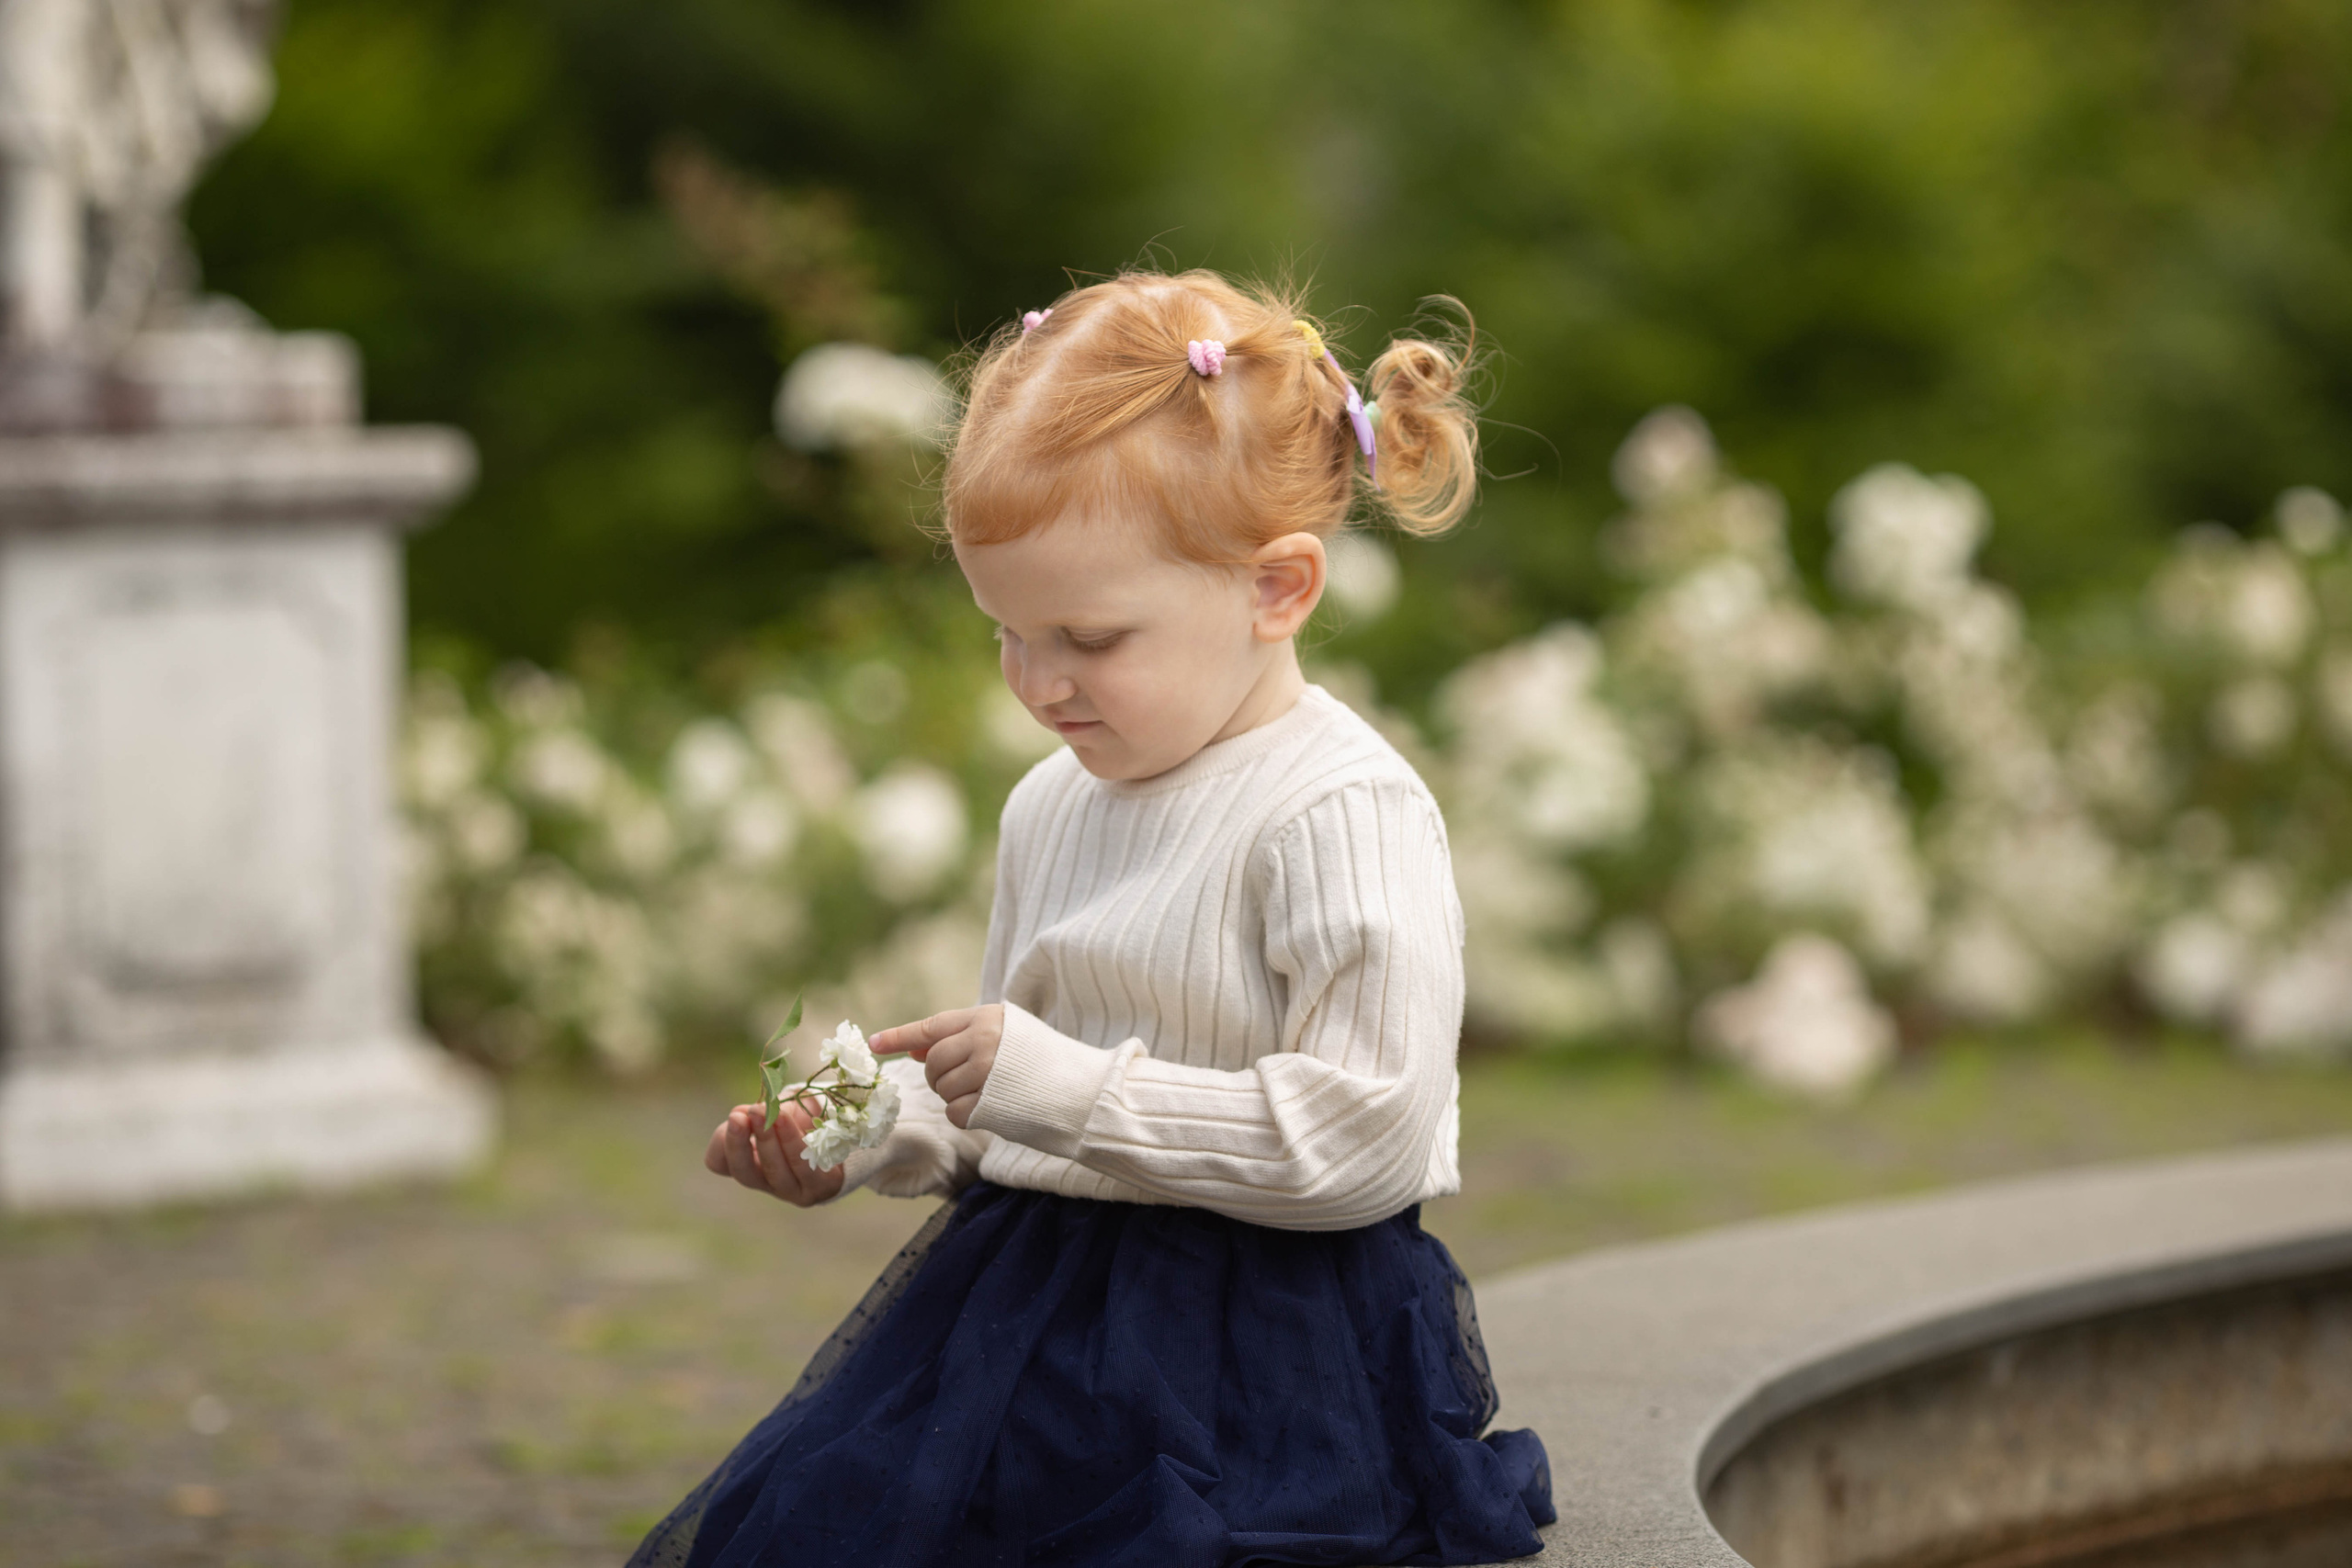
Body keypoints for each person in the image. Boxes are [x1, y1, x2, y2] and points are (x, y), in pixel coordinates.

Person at [630, 269, 1555, 1568]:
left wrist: (1056, 1085)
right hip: (1027, 1315)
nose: (1040, 682)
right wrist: (870, 1130)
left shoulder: (1339, 810)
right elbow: (1011, 1105)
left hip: (1264, 1350)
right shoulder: (1051, 805)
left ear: (1277, 589)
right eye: (1007, 632)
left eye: (1091, 636)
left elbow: (1366, 1140)